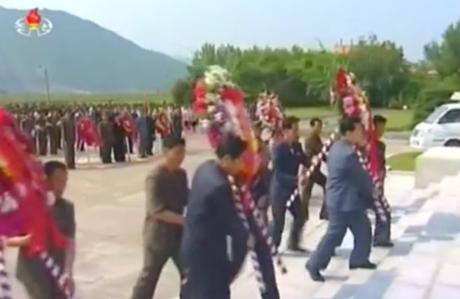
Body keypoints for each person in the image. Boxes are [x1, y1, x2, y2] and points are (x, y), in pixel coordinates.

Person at [180, 134, 251, 299]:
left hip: (191, 249)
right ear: (226, 159)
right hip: (208, 258)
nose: (241, 165)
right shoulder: (220, 187)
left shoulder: (205, 168)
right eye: (239, 160)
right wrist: (234, 265)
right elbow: (235, 228)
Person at [306, 117, 376, 282]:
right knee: (335, 235)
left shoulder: (337, 146)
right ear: (349, 132)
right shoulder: (349, 154)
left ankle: (359, 259)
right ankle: (314, 264)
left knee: (363, 229)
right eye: (359, 130)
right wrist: (372, 195)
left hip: (343, 199)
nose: (362, 134)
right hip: (344, 201)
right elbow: (361, 178)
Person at [131, 136, 188, 299]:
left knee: (189, 273)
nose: (180, 157)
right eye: (177, 153)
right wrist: (185, 220)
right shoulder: (155, 176)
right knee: (149, 278)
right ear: (165, 152)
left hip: (178, 236)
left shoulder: (181, 175)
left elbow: (187, 198)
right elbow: (156, 210)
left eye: (183, 153)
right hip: (157, 237)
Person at [16, 161, 77, 298]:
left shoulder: (67, 208)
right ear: (46, 180)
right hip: (34, 271)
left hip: (58, 269)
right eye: (58, 180)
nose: (62, 186)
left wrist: (68, 271)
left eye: (64, 181)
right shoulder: (29, 204)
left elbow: (70, 242)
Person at [270, 116, 309, 252]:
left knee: (300, 216)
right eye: (294, 129)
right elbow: (278, 174)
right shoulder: (278, 148)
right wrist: (296, 180)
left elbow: (305, 160)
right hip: (280, 190)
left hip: (292, 191)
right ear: (285, 131)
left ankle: (293, 243)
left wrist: (311, 163)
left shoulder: (297, 146)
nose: (297, 132)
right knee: (278, 221)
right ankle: (272, 246)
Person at [372, 115, 393, 247]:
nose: (381, 132)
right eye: (379, 128)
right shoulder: (366, 146)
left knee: (384, 211)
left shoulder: (381, 146)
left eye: (383, 129)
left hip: (378, 184)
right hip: (367, 185)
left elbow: (382, 164)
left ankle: (381, 238)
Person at [302, 117, 327, 220]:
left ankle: (323, 212)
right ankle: (303, 215)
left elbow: (322, 153)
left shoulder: (316, 138)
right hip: (310, 170)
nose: (319, 129)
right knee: (306, 193)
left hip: (315, 170)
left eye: (320, 127)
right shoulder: (310, 139)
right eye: (317, 126)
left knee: (307, 192)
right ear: (311, 126)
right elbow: (311, 154)